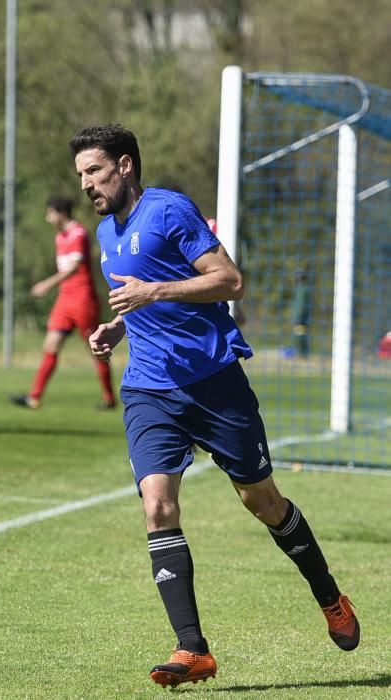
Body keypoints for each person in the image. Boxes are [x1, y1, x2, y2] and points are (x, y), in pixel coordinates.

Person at [69, 125, 360, 688]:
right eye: (80, 174)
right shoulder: (107, 231)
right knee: (157, 506)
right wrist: (119, 326)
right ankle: (192, 649)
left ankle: (329, 596)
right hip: (150, 388)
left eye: (94, 171)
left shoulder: (170, 209)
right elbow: (146, 299)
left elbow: (229, 281)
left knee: (263, 501)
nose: (86, 184)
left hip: (214, 384)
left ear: (125, 166)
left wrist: (151, 292)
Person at [10, 195, 115, 410]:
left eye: (50, 213)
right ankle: (34, 397)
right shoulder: (60, 237)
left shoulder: (78, 233)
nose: (48, 217)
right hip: (65, 300)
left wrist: (47, 284)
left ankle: (109, 398)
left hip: (82, 299)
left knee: (94, 347)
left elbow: (75, 267)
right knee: (50, 345)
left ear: (61, 213)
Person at [291, 268, 312, 357]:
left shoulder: (302, 289)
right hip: (303, 317)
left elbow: (301, 305)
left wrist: (298, 317)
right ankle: (302, 353)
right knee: (301, 334)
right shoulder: (302, 288)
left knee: (300, 335)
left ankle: (302, 353)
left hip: (301, 318)